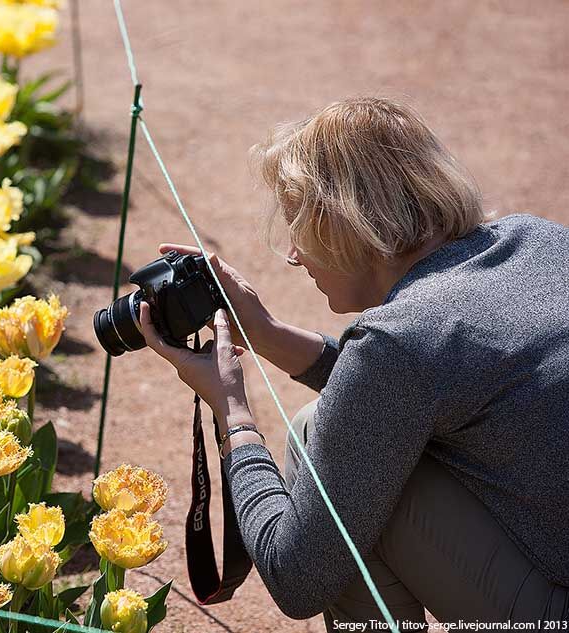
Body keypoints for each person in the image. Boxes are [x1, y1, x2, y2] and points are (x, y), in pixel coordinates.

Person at [138, 96, 569, 629]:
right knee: (351, 452)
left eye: (298, 223)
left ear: (346, 222)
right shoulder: (539, 239)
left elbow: (296, 576)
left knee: (319, 446)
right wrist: (268, 334)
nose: (294, 254)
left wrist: (233, 412)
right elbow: (416, 385)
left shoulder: (401, 341)